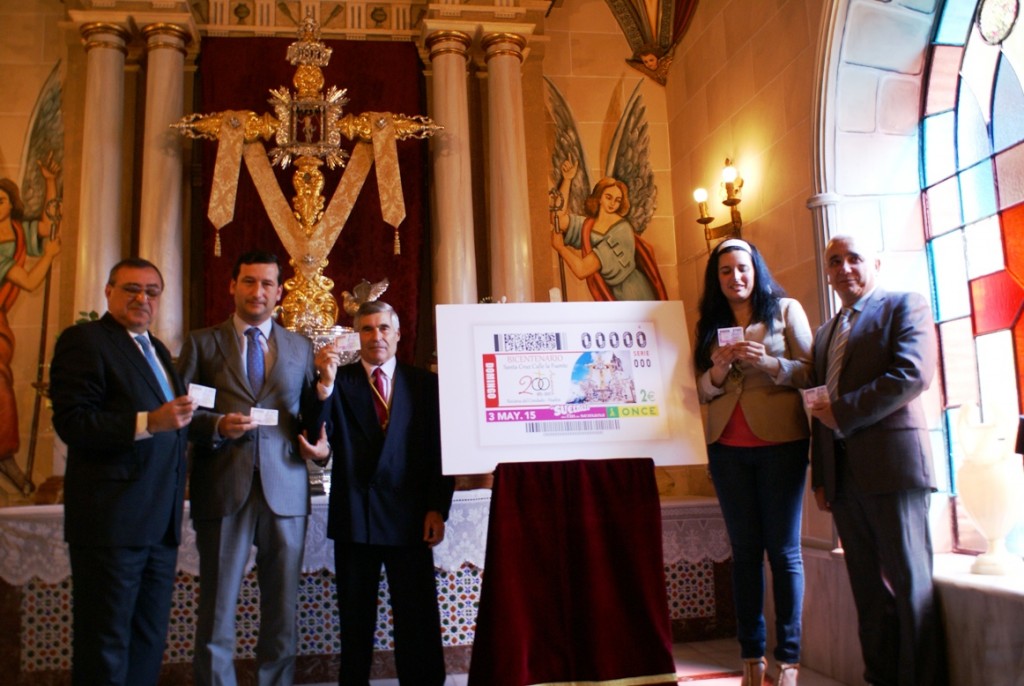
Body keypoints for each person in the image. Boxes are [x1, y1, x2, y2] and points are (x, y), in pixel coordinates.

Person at [178, 250, 323, 686]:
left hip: (285, 488)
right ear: (232, 285)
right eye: (248, 282)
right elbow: (180, 414)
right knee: (218, 606)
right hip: (223, 486)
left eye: (266, 284)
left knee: (282, 609)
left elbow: (312, 416)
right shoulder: (202, 343)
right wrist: (218, 424)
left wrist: (321, 442)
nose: (257, 291)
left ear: (279, 291)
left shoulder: (300, 347)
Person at [808, 235, 946, 686]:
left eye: (854, 258)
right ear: (827, 272)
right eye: (835, 262)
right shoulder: (826, 332)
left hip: (894, 469)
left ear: (876, 263)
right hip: (845, 481)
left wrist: (844, 411)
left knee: (910, 588)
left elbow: (912, 374)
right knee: (868, 593)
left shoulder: (905, 305)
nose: (844, 268)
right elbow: (818, 405)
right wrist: (823, 476)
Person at [50, 257, 194, 685]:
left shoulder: (157, 350)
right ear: (108, 291)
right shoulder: (86, 340)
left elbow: (176, 421)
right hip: (111, 522)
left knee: (148, 638)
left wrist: (217, 425)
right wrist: (148, 422)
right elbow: (72, 421)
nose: (142, 298)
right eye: (131, 288)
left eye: (152, 291)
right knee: (106, 642)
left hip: (159, 522)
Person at [305, 300, 455, 686]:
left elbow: (440, 451)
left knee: (417, 619)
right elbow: (317, 435)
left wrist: (437, 507)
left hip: (412, 518)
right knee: (355, 623)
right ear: (358, 336)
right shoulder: (339, 381)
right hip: (358, 518)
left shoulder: (425, 384)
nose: (376, 337)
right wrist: (324, 384)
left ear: (398, 333)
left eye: (384, 328)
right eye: (367, 329)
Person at [693, 238, 812, 686]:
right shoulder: (710, 324)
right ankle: (751, 660)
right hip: (727, 447)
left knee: (783, 553)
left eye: (742, 268)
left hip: (781, 443)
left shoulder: (785, 310)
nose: (735, 277)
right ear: (717, 278)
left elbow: (812, 371)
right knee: (744, 555)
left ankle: (788, 662)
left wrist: (772, 364)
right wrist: (718, 371)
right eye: (725, 271)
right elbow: (699, 390)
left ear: (755, 270)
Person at [0, 155, 61, 496]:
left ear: (11, 203)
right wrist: (50, 256)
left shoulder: (18, 231)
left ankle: (4, 455)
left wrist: (50, 181)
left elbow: (49, 223)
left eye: (1, 199)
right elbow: (27, 281)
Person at [550, 157, 668, 301]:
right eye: (608, 197)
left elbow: (582, 270)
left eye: (617, 200)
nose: (613, 203)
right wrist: (567, 180)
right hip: (615, 297)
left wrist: (561, 248)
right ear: (599, 197)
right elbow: (557, 219)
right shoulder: (589, 225)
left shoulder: (621, 231)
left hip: (633, 295)